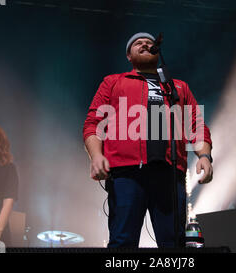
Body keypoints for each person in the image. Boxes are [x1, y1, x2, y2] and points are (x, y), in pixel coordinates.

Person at [83, 32, 213, 247]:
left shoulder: (178, 87)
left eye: (149, 42)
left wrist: (205, 156)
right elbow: (93, 123)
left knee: (173, 242)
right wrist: (96, 155)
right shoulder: (113, 82)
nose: (144, 43)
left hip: (170, 174)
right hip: (126, 173)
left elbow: (196, 125)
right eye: (137, 43)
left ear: (157, 51)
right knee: (122, 241)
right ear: (128, 56)